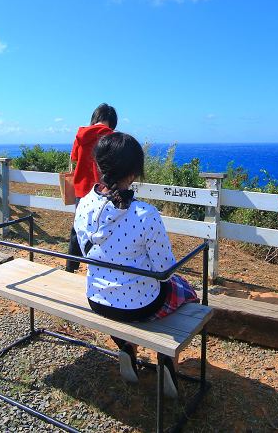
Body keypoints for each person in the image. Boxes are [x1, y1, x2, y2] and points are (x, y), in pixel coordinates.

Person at [73, 132, 199, 398]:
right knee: (185, 291)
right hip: (141, 305)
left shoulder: (84, 204)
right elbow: (164, 271)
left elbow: (85, 250)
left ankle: (126, 345)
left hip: (97, 298)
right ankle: (166, 358)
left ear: (98, 165)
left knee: (137, 294)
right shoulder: (145, 214)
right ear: (134, 172)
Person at [66, 103, 118, 272]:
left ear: (95, 118)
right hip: (103, 190)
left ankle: (70, 267)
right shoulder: (113, 137)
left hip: (81, 188)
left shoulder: (80, 135)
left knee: (77, 227)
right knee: (104, 229)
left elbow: (74, 157)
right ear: (112, 121)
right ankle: (100, 268)